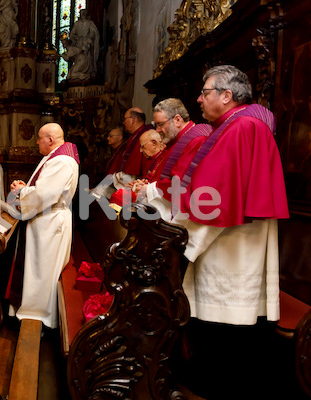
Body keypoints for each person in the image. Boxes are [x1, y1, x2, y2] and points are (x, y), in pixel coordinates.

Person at [145, 65, 289, 399]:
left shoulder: (240, 129)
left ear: (227, 96)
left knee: (225, 329)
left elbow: (214, 200)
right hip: (233, 243)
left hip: (231, 248)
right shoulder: (236, 126)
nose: (198, 98)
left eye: (204, 91)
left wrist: (181, 242)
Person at [5, 123, 80, 329]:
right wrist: (26, 189)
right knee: (39, 271)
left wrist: (22, 192)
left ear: (50, 140)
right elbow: (44, 189)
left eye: (39, 138)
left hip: (49, 224)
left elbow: (45, 194)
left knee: (42, 273)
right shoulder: (57, 157)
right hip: (46, 221)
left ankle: (38, 319)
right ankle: (31, 314)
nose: (36, 142)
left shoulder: (61, 161)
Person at [132, 98, 211, 197]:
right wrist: (147, 184)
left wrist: (149, 189)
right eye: (156, 125)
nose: (157, 130)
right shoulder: (173, 140)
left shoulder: (197, 140)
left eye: (160, 124)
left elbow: (182, 184)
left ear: (177, 120)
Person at [106, 107, 153, 188]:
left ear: (133, 120)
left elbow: (134, 168)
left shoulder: (145, 135)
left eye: (125, 119)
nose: (123, 122)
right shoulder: (133, 136)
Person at [69, 9, 99, 78]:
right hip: (79, 42)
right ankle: (80, 70)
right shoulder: (77, 24)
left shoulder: (90, 23)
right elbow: (72, 34)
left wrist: (88, 38)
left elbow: (93, 33)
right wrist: (76, 38)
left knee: (88, 55)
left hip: (87, 42)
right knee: (79, 56)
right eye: (81, 13)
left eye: (84, 13)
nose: (82, 14)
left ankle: (88, 70)